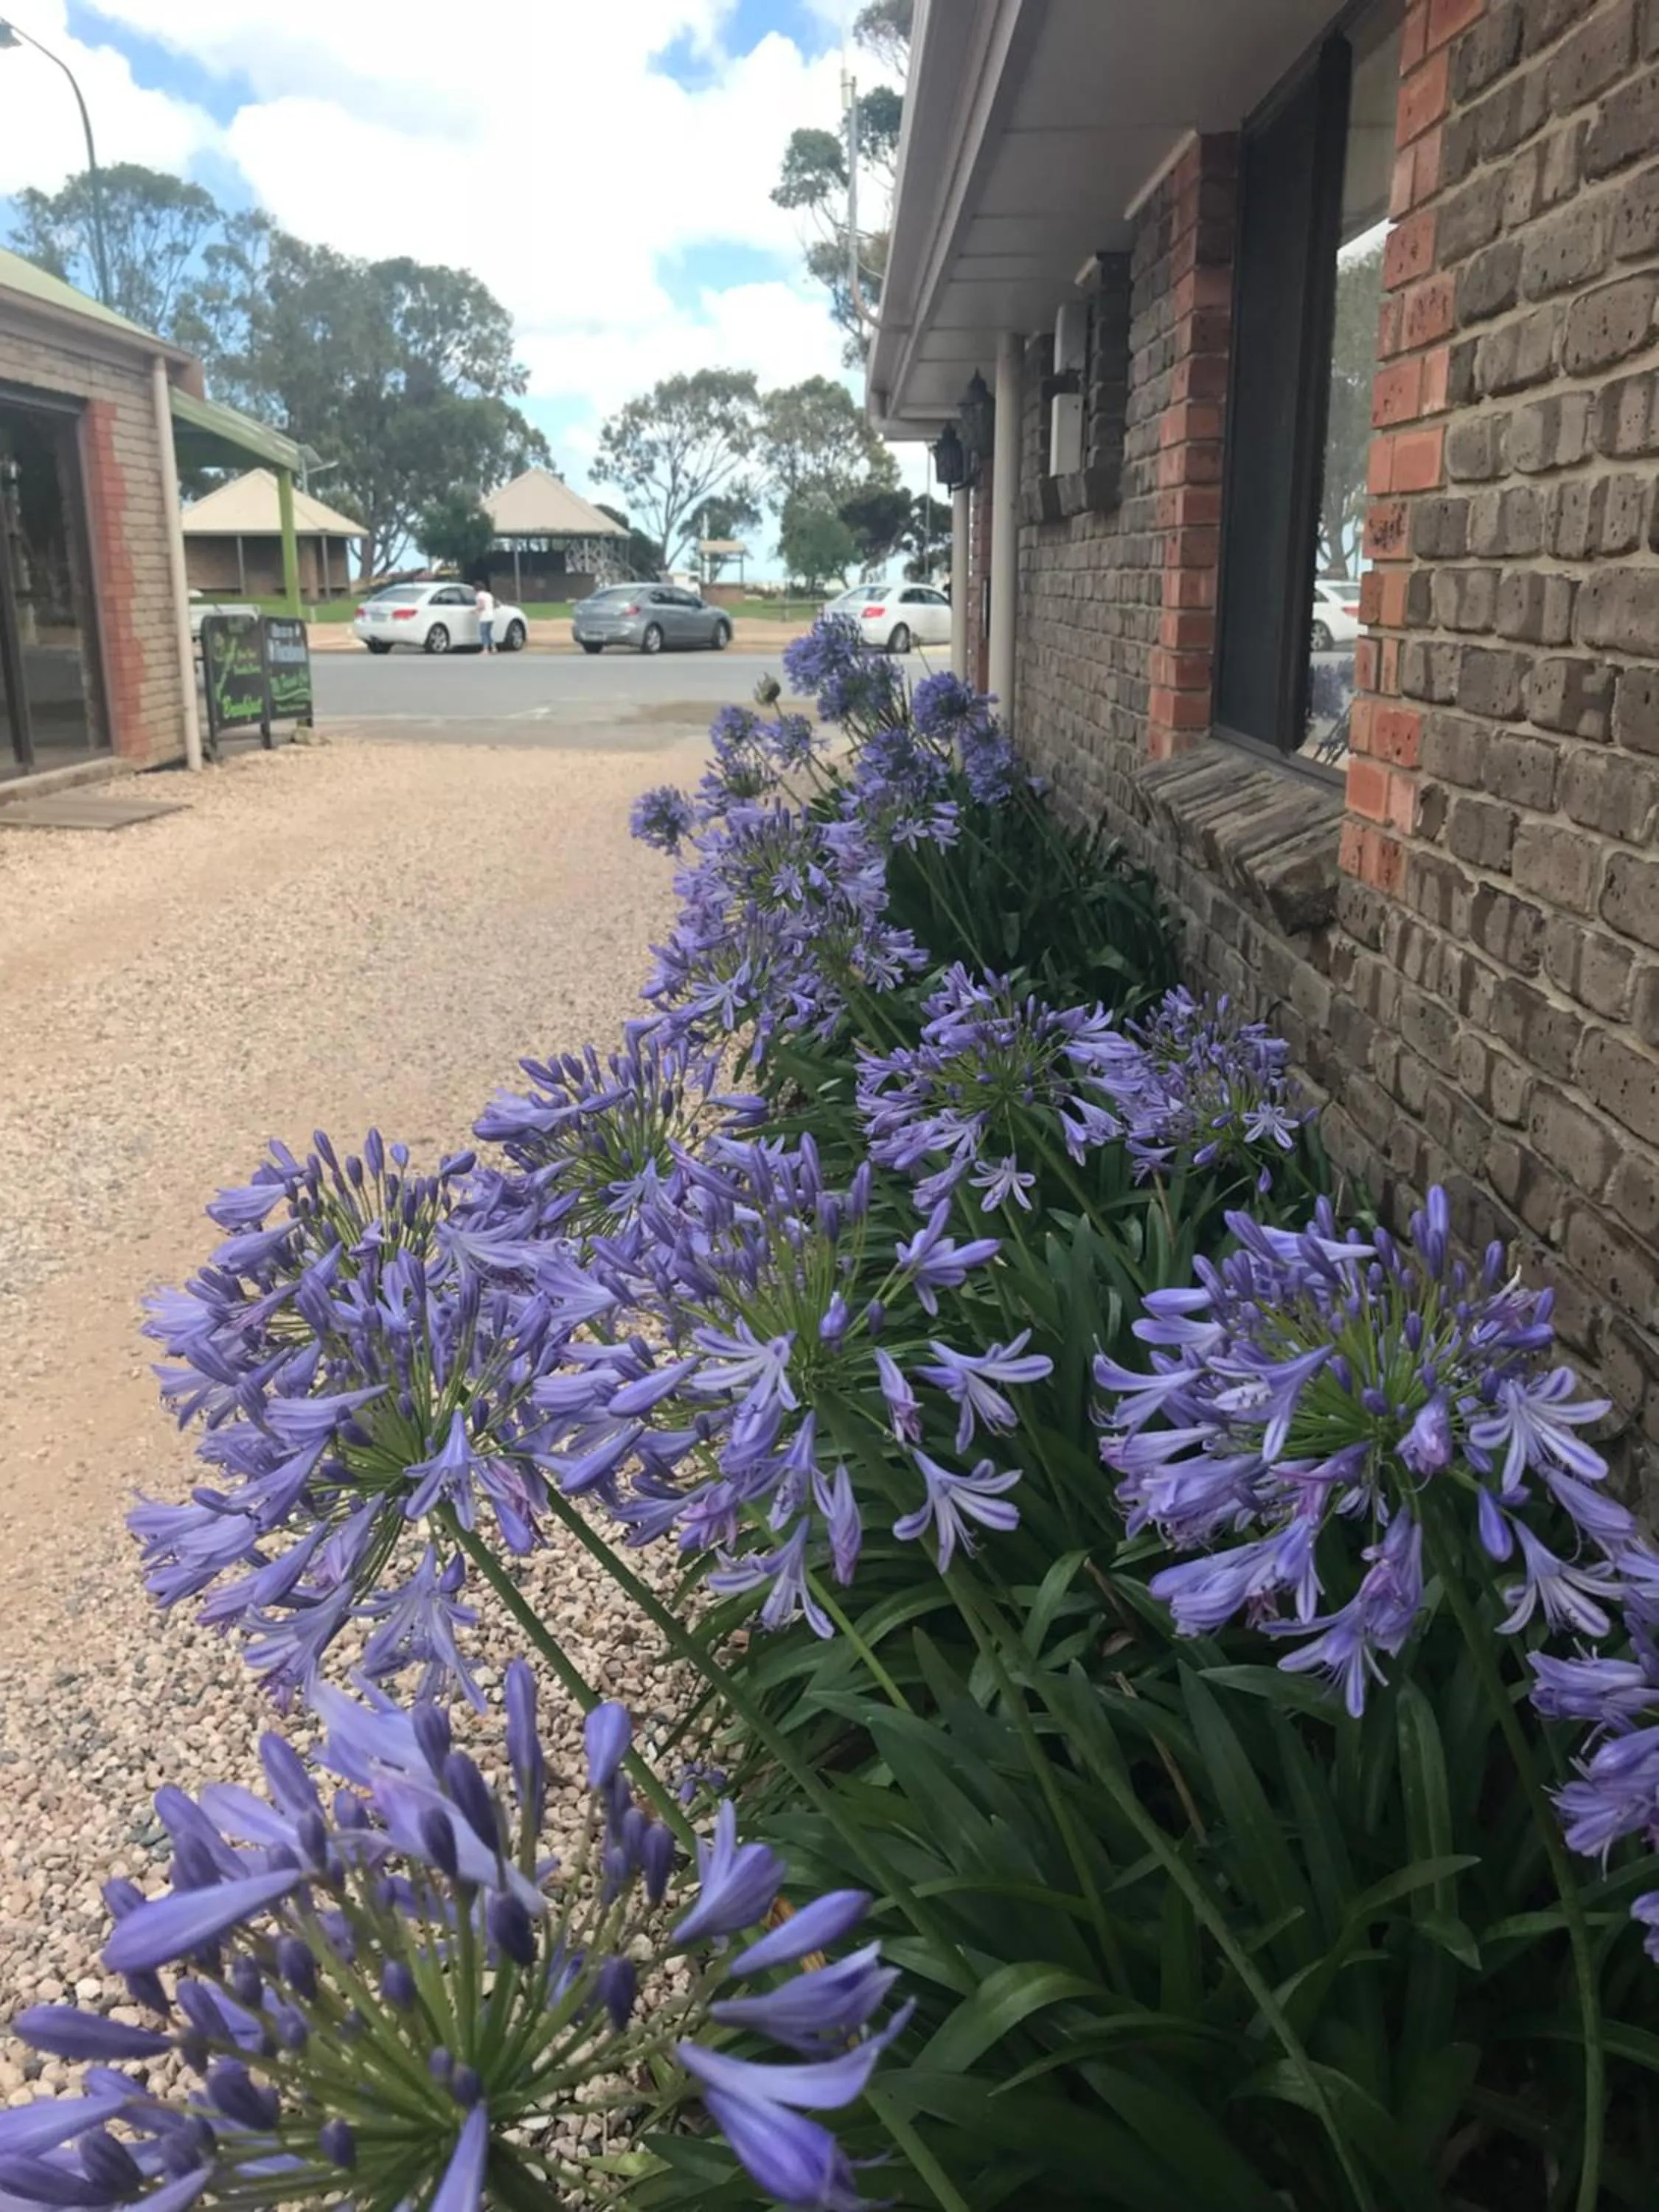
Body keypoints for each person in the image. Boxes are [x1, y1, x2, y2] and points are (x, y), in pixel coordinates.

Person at [475, 581, 496, 653]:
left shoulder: (479, 595)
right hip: (491, 616)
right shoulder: (489, 595)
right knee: (489, 633)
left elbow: (482, 606)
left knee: (483, 633)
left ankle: (485, 649)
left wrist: (475, 610)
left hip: (484, 617)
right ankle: (493, 648)